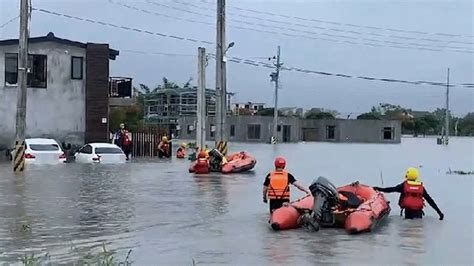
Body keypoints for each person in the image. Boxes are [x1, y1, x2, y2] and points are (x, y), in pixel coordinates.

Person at [374, 167, 444, 220]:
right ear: (416, 176)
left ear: (407, 176)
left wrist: (378, 189)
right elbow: (430, 200)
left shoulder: (404, 186)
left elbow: (391, 189)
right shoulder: (420, 187)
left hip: (408, 212)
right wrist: (439, 212)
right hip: (419, 213)